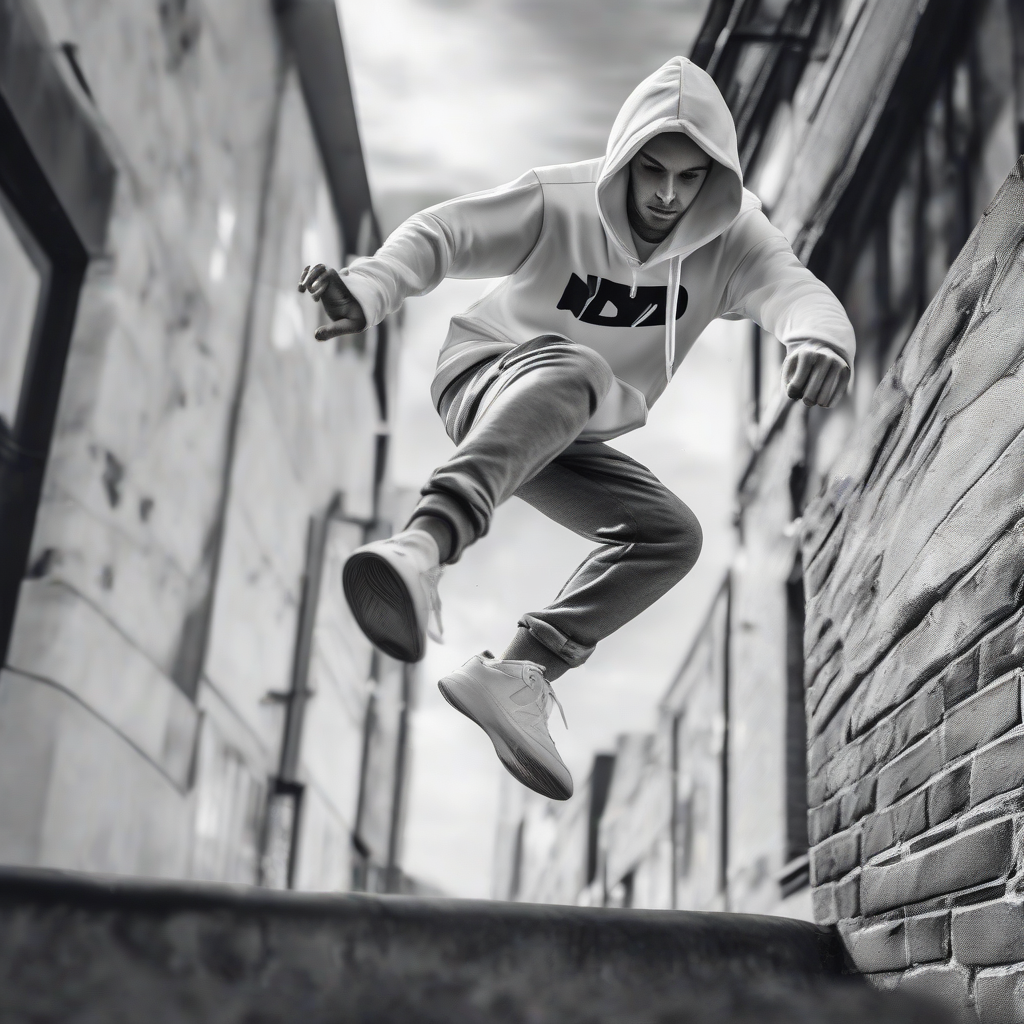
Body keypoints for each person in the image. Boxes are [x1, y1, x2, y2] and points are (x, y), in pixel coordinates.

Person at [298, 56, 854, 802]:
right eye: (652, 170)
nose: (665, 195)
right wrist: (369, 287)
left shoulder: (734, 238)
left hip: (568, 427)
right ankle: (423, 546)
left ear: (712, 180)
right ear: (624, 158)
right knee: (583, 369)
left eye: (689, 180)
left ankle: (517, 674)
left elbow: (796, 290)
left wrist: (819, 339)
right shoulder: (558, 200)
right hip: (487, 378)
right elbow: (446, 233)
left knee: (669, 536)